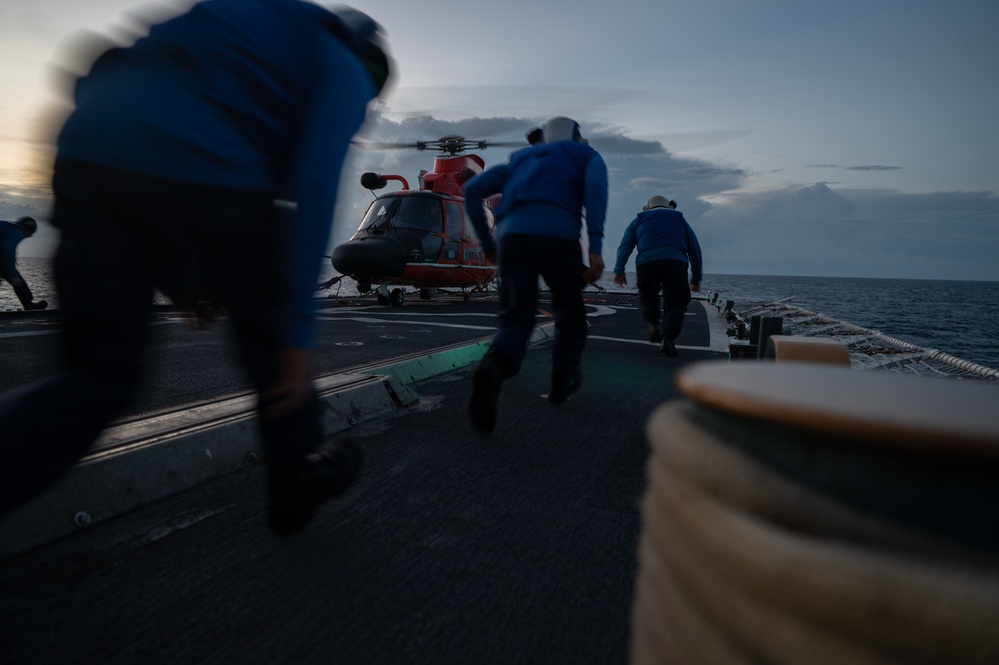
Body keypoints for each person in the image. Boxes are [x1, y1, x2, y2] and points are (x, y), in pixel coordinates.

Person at [0, 0, 393, 535]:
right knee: (270, 331)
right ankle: (295, 472)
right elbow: (315, 185)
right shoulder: (343, 60)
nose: (362, 104)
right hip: (208, 167)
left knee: (97, 374)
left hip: (89, 153)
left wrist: (179, 275)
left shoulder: (240, 19)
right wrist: (296, 336)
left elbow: (122, 88)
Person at [463, 116, 608, 432]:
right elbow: (596, 186)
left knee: (517, 317)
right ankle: (561, 381)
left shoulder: (519, 160)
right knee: (569, 310)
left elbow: (472, 190)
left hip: (513, 240)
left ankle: (494, 367)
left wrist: (488, 244)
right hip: (559, 238)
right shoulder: (585, 155)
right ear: (577, 138)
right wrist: (595, 245)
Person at [612, 195, 702, 356]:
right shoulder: (679, 219)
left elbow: (625, 245)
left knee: (648, 295)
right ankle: (668, 338)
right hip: (675, 261)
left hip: (647, 262)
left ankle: (653, 323)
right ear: (669, 207)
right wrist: (695, 278)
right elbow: (694, 249)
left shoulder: (638, 220)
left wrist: (619, 271)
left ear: (647, 208)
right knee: (676, 300)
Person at [0, 216, 48, 311]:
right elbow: (8, 250)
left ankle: (28, 304)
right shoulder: (17, 232)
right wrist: (13, 275)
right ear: (28, 230)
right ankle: (28, 305)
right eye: (32, 233)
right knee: (17, 280)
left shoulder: (8, 226)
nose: (30, 236)